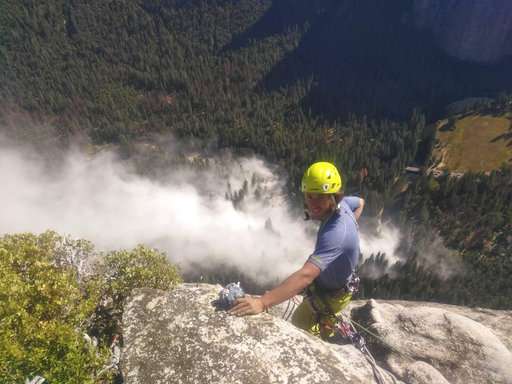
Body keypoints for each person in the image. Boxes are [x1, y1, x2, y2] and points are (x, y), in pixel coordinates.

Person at [229, 161, 364, 340]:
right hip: (332, 286)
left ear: (333, 196)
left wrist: (262, 303)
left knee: (300, 325)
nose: (313, 203)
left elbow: (306, 275)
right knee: (318, 318)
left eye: (320, 197)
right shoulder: (345, 205)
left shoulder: (337, 234)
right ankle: (326, 324)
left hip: (331, 294)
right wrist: (353, 224)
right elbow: (361, 202)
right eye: (310, 196)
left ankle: (323, 338)